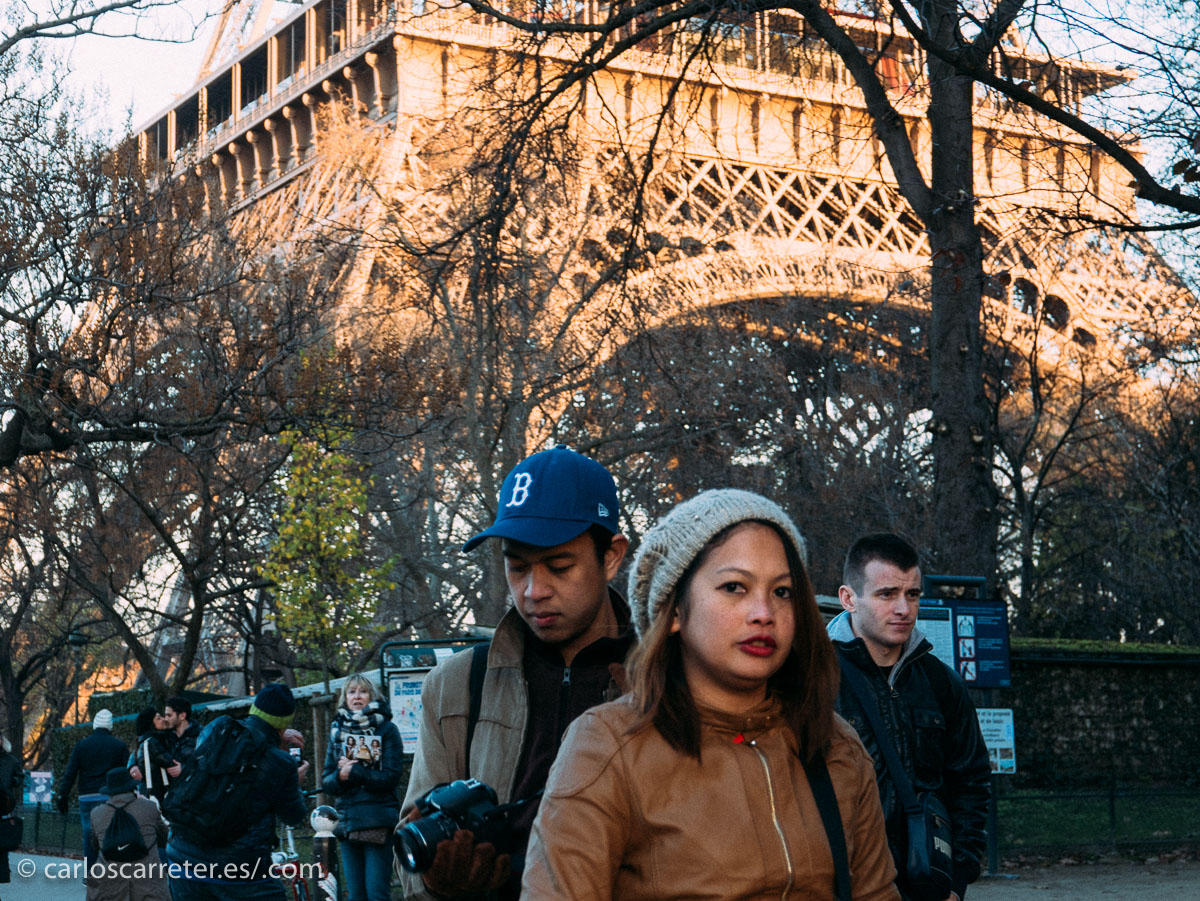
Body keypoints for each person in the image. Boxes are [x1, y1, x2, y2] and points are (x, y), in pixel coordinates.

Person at [521, 488, 899, 900]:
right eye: (735, 586)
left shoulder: (838, 747)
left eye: (782, 591)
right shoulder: (607, 748)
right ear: (675, 610)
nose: (763, 613)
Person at [399, 444, 633, 901]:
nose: (533, 590)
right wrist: (435, 879)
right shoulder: (456, 687)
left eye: (559, 566)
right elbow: (408, 845)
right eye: (517, 566)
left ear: (611, 556)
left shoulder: (666, 678)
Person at [828, 533, 991, 901]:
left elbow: (972, 781)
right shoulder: (813, 682)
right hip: (844, 884)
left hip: (926, 883)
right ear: (848, 598)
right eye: (887, 594)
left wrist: (956, 880)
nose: (904, 609)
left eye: (912, 595)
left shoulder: (941, 683)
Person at [164, 683, 310, 901]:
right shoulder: (281, 762)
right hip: (241, 873)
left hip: (182, 858)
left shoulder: (216, 728)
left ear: (254, 709)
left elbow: (240, 745)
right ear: (282, 725)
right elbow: (294, 815)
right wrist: (294, 782)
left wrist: (270, 734)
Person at [321, 674, 402, 901]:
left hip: (377, 821)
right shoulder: (338, 730)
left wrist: (354, 771)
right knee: (355, 895)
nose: (357, 696)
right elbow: (326, 781)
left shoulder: (387, 730)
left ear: (372, 696)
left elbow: (391, 777)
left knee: (376, 894)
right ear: (344, 698)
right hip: (347, 824)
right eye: (351, 692)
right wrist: (341, 775)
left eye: (362, 691)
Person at [58, 710, 130, 873]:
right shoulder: (119, 746)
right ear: (110, 725)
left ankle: (90, 871)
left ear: (95, 724)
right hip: (110, 796)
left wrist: (63, 794)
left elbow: (71, 772)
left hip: (87, 796)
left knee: (89, 833)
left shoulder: (81, 746)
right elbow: (124, 773)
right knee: (110, 833)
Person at [87, 767, 169, 901]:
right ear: (132, 787)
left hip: (107, 886)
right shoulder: (149, 807)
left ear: (109, 792)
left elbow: (95, 846)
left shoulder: (97, 814)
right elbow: (163, 838)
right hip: (149, 885)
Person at [128, 708, 175, 807]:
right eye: (158, 718)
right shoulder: (152, 742)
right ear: (150, 724)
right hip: (158, 793)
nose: (163, 719)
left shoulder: (143, 741)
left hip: (149, 792)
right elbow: (170, 763)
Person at [0, 735, 23, 884]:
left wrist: (13, 782)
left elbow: (19, 777)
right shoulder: (10, 761)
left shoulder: (10, 761)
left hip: (3, 806)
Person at [164, 697, 201, 770]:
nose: (165, 719)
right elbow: (145, 744)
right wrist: (134, 765)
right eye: (165, 715)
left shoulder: (200, 735)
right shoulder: (165, 734)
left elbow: (207, 764)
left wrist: (184, 769)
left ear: (182, 716)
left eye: (169, 715)